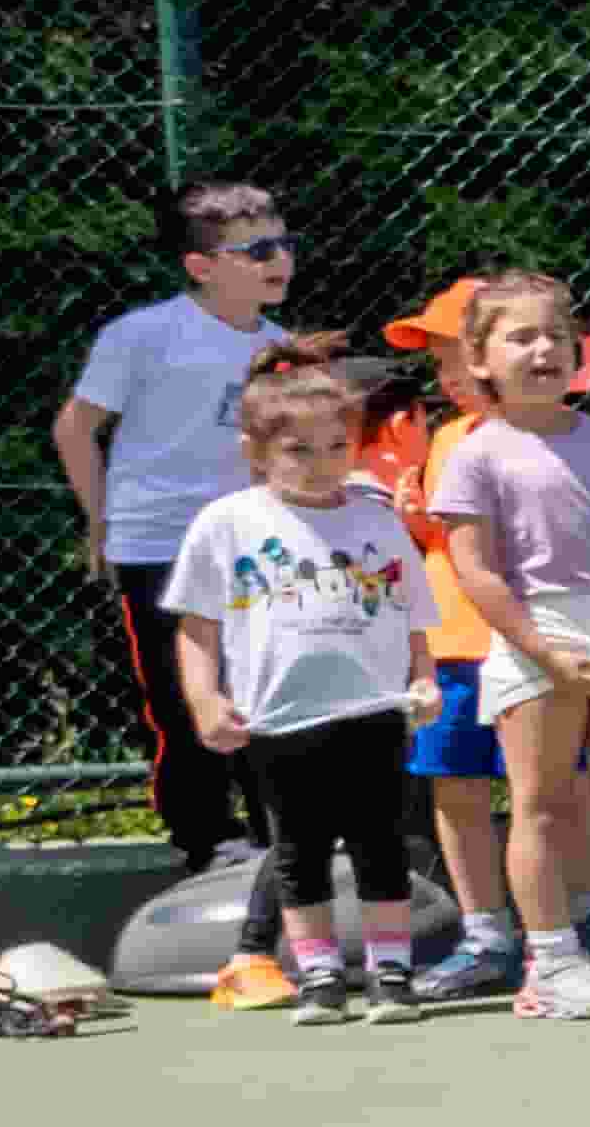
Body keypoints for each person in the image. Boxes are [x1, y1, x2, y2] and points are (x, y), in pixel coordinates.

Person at [424, 272, 590, 1018]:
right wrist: (541, 650)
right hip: (537, 638)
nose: (544, 349)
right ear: (479, 359)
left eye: (557, 335)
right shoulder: (476, 453)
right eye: (521, 337)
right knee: (538, 803)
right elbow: (475, 569)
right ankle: (556, 965)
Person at [51, 171, 302, 887]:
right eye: (257, 250)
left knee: (263, 686)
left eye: (284, 244)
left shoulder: (283, 349)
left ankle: (279, 833)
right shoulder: (142, 335)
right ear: (201, 266)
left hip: (252, 546)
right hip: (157, 544)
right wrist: (100, 520)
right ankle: (206, 838)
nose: (280, 260)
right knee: (178, 694)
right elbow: (75, 428)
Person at [163, 364, 427, 1021]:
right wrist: (205, 700)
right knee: (297, 851)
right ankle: (320, 976)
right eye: (298, 450)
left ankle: (391, 974)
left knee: (381, 845)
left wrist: (422, 678)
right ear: (253, 451)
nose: (321, 464)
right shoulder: (226, 522)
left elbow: (414, 615)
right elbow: (197, 627)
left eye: (337, 446)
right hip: (278, 722)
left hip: (373, 714)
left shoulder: (379, 521)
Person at [366, 276, 526, 1006]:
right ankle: (487, 936)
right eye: (437, 362)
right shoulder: (448, 437)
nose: (443, 375)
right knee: (456, 788)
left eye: (450, 356)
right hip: (454, 643)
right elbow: (447, 542)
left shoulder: (548, 435)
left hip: (531, 645)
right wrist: (416, 522)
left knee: (552, 792)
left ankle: (583, 925)